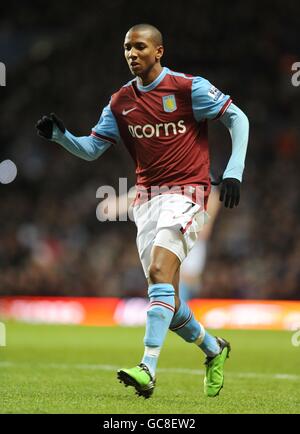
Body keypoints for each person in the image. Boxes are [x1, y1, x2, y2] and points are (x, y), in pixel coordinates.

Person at [36, 23, 249, 399]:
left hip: (188, 193)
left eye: (139, 47)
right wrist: (61, 137)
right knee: (167, 297)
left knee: (157, 272)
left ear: (159, 51)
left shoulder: (187, 88)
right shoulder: (120, 102)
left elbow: (238, 119)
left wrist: (233, 172)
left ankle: (147, 368)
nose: (132, 54)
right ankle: (214, 349)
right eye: (126, 48)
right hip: (147, 202)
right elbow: (91, 149)